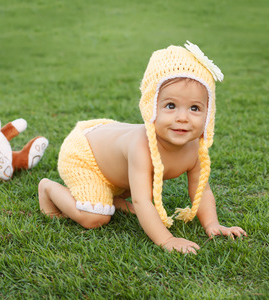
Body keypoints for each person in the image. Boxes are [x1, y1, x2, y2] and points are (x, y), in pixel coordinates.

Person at [38, 41, 247, 254]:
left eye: (195, 108)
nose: (182, 118)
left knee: (137, 180)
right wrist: (167, 240)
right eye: (170, 106)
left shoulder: (195, 148)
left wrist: (212, 224)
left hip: (112, 150)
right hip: (86, 154)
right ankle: (47, 188)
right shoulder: (141, 147)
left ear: (208, 113)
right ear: (151, 107)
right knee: (95, 217)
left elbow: (201, 190)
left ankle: (114, 197)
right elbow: (141, 201)